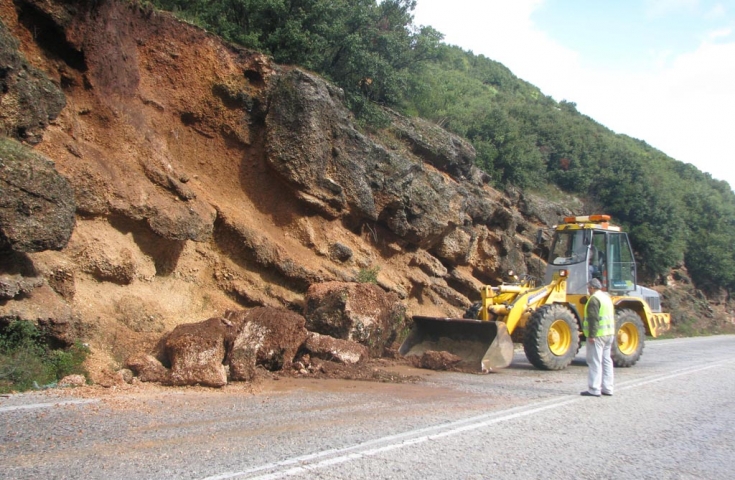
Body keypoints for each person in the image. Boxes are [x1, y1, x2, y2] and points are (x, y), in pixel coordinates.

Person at [581, 278, 615, 397]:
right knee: (606, 361)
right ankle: (608, 388)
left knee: (594, 361)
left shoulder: (594, 299)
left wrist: (592, 335)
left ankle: (594, 389)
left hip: (598, 335)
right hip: (609, 333)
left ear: (592, 287)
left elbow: (593, 319)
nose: (588, 290)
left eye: (589, 288)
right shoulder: (606, 297)